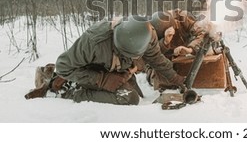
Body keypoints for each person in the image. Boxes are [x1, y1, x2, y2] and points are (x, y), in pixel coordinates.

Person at [25, 17, 185, 105]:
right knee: (129, 97)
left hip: (115, 71)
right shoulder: (94, 41)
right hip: (89, 72)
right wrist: (101, 80)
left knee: (138, 95)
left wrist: (177, 79)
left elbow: (157, 59)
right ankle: (74, 92)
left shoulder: (147, 34)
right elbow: (63, 67)